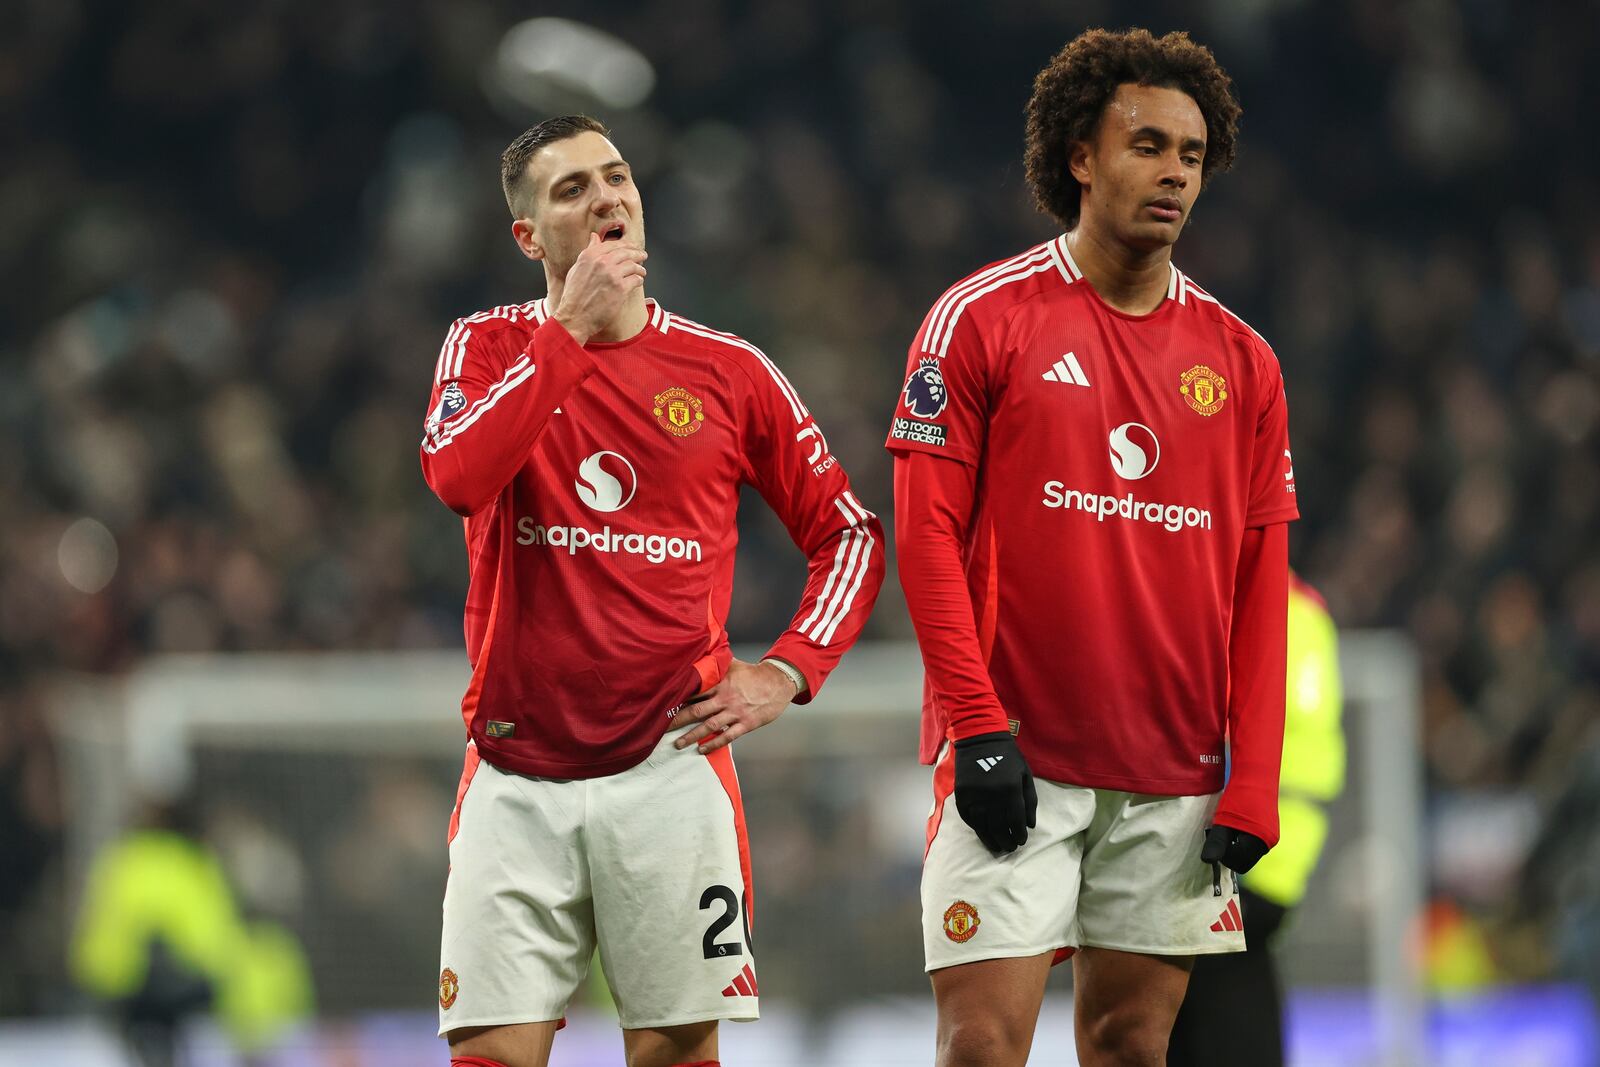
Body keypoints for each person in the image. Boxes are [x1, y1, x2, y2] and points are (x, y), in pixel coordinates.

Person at [420, 115, 884, 1067]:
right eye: (572, 189)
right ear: (528, 236)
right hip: (515, 775)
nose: (606, 199)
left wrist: (789, 671)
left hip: (670, 765)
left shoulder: (731, 371)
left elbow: (849, 536)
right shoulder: (484, 345)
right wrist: (568, 336)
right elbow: (456, 476)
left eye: (618, 177)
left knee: (677, 1053)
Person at [886, 28, 1298, 1066]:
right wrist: (975, 724)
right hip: (1018, 751)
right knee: (981, 1042)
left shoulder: (1244, 363)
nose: (1171, 174)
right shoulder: (979, 320)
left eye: (1192, 156)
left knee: (1128, 1042)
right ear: (1081, 156)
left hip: (1174, 771)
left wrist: (1254, 781)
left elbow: (1259, 586)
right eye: (1146, 145)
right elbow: (924, 532)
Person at [1168, 571, 1346, 1065]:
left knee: (1197, 994)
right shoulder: (1306, 608)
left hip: (1234, 836)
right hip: (1283, 844)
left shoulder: (1238, 605)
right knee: (1238, 978)